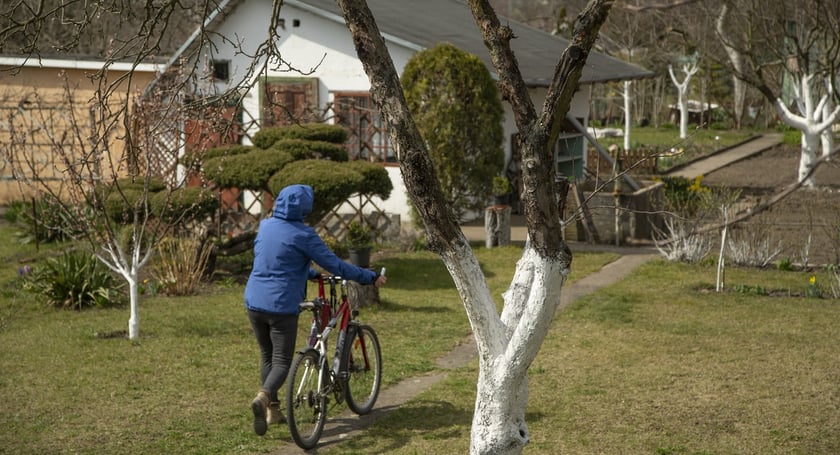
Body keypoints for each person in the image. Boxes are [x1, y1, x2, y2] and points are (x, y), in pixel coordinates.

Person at [243, 184, 386, 436]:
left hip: (254, 301)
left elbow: (273, 259)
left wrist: (306, 273)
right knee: (281, 361)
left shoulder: (266, 226)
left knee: (267, 356)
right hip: (281, 305)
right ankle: (264, 397)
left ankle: (273, 411)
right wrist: (369, 276)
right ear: (305, 209)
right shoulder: (304, 235)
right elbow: (336, 266)